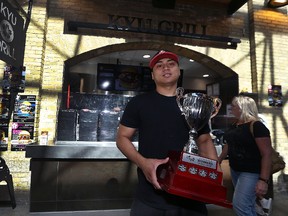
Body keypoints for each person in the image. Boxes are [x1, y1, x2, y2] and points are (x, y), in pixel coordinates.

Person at [116, 50, 219, 216]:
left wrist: (214, 172)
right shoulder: (138, 103)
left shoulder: (193, 104)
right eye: (159, 65)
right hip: (150, 197)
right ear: (152, 75)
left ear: (179, 71)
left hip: (192, 198)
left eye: (171, 64)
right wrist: (143, 163)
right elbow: (122, 138)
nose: (166, 68)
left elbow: (204, 140)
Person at [218, 95, 272, 216]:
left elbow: (266, 154)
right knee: (249, 205)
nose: (231, 109)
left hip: (251, 171)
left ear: (243, 108)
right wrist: (220, 158)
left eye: (234, 106)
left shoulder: (257, 126)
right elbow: (229, 143)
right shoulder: (235, 124)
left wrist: (263, 180)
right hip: (235, 169)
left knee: (240, 206)